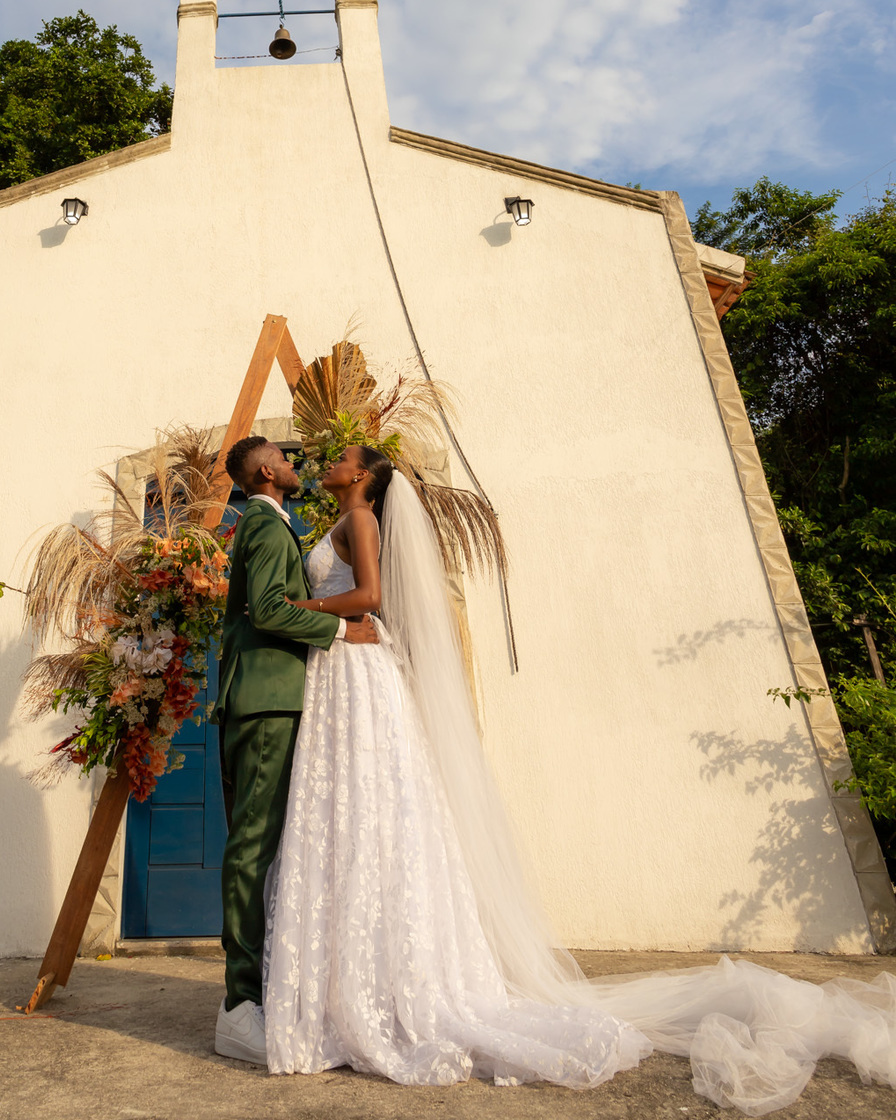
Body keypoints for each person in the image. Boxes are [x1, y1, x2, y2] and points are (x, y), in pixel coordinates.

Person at [262, 445, 896, 1114]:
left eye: (341, 458)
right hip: (341, 667)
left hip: (357, 669)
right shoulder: (341, 520)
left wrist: (294, 605)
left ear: (362, 476)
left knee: (367, 807)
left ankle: (382, 988)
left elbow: (369, 598)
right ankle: (354, 981)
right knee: (354, 810)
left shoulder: (362, 519)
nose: (328, 461)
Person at [210, 435, 379, 1066]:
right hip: (265, 699)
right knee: (251, 848)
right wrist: (339, 629)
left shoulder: (276, 523)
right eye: (283, 458)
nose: (293, 464)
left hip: (279, 697)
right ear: (264, 472)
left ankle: (268, 989)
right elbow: (267, 610)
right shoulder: (261, 523)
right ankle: (238, 1007)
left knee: (269, 847)